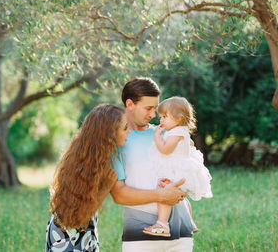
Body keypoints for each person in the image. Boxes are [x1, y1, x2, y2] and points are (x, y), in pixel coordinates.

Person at [110, 78, 194, 252]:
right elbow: (119, 195)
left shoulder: (165, 134)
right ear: (130, 104)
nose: (153, 114)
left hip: (181, 232)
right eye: (148, 108)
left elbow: (187, 168)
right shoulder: (118, 141)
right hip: (140, 234)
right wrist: (161, 195)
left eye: (155, 108)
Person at [45, 104, 130, 251]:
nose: (130, 131)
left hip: (83, 233)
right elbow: (80, 216)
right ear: (109, 133)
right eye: (125, 128)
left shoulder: (92, 154)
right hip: (68, 238)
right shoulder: (87, 165)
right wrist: (105, 187)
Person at [143, 96, 212, 237]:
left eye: (164, 116)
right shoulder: (182, 132)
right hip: (182, 170)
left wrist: (157, 137)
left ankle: (162, 224)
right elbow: (190, 145)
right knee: (182, 197)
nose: (161, 120)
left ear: (179, 118)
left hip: (174, 171)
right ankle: (188, 221)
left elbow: (165, 150)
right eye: (161, 117)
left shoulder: (176, 133)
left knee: (163, 193)